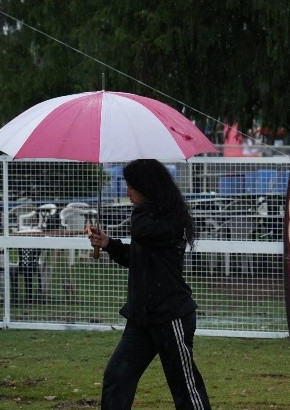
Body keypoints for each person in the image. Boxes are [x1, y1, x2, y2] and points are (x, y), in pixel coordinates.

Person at [88, 158, 211, 410]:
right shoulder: (149, 216)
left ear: (146, 186)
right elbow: (138, 257)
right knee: (117, 377)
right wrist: (109, 244)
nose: (127, 191)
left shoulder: (170, 219)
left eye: (131, 186)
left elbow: (141, 231)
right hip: (141, 318)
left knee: (184, 386)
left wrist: (140, 209)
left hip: (171, 316)